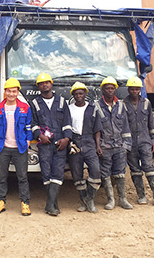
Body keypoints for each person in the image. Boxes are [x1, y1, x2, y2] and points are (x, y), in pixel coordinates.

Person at [0, 78, 34, 216]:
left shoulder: (24, 108)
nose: (11, 94)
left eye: (14, 91)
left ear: (18, 92)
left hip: (20, 148)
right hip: (3, 148)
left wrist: (28, 140)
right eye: (9, 91)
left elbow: (28, 127)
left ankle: (25, 203)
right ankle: (0, 202)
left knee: (22, 177)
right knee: (2, 176)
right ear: (5, 92)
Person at [29, 73, 72, 216]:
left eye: (47, 82)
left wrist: (66, 139)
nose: (44, 85)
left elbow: (67, 123)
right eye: (41, 83)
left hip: (60, 143)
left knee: (58, 172)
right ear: (38, 86)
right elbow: (32, 124)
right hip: (44, 144)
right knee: (46, 173)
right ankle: (53, 204)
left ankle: (50, 204)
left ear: (51, 84)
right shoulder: (35, 103)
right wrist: (39, 135)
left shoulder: (61, 102)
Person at [123, 79, 154, 206]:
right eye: (132, 89)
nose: (134, 91)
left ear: (140, 90)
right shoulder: (123, 104)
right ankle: (141, 196)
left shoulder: (146, 103)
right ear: (128, 90)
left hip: (145, 141)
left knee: (149, 168)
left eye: (137, 89)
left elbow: (151, 122)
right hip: (130, 143)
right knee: (135, 170)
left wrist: (153, 139)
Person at [65, 82, 103, 213]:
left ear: (85, 94)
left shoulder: (92, 108)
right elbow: (66, 126)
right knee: (77, 175)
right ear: (73, 96)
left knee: (96, 171)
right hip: (75, 142)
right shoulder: (68, 108)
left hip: (89, 142)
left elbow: (97, 128)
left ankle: (90, 199)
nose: (78, 96)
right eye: (76, 94)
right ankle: (83, 201)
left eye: (81, 93)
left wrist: (98, 145)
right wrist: (69, 142)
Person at [97, 77, 134, 210]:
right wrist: (98, 146)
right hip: (105, 147)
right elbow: (95, 129)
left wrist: (126, 146)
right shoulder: (97, 106)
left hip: (119, 146)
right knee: (106, 173)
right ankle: (111, 200)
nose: (110, 90)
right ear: (103, 90)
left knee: (120, 173)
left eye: (112, 88)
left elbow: (126, 127)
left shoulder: (121, 106)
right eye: (107, 88)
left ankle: (123, 199)